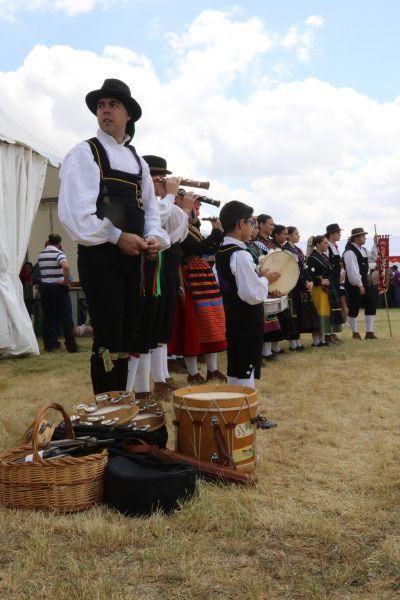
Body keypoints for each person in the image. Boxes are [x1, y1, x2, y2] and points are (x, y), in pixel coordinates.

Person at [58, 78, 169, 393]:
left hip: (135, 258)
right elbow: (76, 217)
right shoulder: (84, 153)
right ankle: (108, 410)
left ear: (128, 114)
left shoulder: (137, 161)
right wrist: (117, 236)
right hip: (101, 257)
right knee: (108, 336)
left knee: (130, 335)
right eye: (101, 106)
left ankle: (124, 404)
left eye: (113, 105)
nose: (105, 111)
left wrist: (152, 239)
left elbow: (151, 211)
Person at [168, 199, 226, 384]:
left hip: (201, 276)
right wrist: (216, 232)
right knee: (192, 325)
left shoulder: (193, 228)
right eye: (195, 208)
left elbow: (210, 249)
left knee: (211, 322)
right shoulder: (179, 228)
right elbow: (198, 249)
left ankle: (213, 370)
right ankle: (193, 373)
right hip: (190, 278)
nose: (198, 213)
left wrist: (218, 234)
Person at [37, 234, 78, 353]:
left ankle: (49, 345)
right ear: (60, 243)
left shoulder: (41, 254)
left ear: (48, 241)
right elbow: (65, 266)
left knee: (48, 317)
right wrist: (66, 282)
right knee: (65, 317)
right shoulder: (59, 254)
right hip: (58, 287)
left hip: (45, 288)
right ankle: (71, 346)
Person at [307, 235, 343, 346]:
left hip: (326, 289)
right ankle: (316, 341)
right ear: (318, 244)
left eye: (327, 243)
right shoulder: (312, 257)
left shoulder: (323, 256)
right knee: (318, 312)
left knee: (325, 312)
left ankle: (323, 339)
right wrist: (320, 281)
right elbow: (310, 274)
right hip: (318, 289)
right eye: (325, 243)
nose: (327, 245)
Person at [343, 228, 378, 339]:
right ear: (356, 237)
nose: (365, 238)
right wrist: (359, 284)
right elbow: (352, 271)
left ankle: (369, 332)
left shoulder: (363, 249)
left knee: (371, 304)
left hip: (364, 282)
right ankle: (355, 333)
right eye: (363, 236)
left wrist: (375, 243)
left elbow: (372, 257)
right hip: (354, 284)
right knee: (354, 306)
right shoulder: (349, 252)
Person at [284, 226, 315, 350]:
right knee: (293, 313)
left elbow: (304, 268)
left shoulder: (297, 249)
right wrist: (304, 282)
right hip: (292, 285)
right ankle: (293, 342)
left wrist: (308, 281)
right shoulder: (287, 250)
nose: (299, 236)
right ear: (289, 236)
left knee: (299, 312)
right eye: (296, 234)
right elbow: (293, 269)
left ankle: (297, 341)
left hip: (300, 284)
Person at [325, 223, 345, 342]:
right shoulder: (327, 246)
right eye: (338, 232)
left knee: (335, 306)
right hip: (330, 280)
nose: (340, 234)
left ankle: (332, 332)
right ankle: (328, 333)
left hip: (335, 280)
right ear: (331, 234)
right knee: (329, 306)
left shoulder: (334, 246)